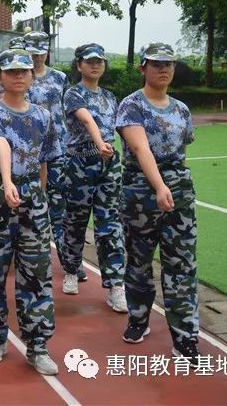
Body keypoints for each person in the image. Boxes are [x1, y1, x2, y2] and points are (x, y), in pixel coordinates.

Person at [0, 49, 60, 376]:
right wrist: (8, 183)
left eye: (24, 70)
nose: (19, 76)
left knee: (36, 271)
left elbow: (44, 161)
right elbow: (1, 144)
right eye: (11, 72)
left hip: (33, 199)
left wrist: (40, 196)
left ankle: (38, 344)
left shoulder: (43, 116)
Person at [116, 43, 201, 363]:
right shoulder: (131, 106)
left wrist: (171, 186)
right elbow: (141, 149)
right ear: (142, 68)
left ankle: (185, 336)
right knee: (138, 262)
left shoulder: (180, 109)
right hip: (141, 192)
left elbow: (182, 150)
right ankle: (138, 318)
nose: (163, 70)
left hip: (179, 192)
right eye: (156, 64)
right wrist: (159, 185)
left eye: (169, 65)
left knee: (182, 265)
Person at [61, 44, 128, 311]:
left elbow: (120, 128)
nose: (95, 65)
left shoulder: (110, 97)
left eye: (99, 61)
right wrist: (99, 143)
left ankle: (115, 285)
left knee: (109, 223)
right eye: (89, 61)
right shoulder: (73, 94)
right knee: (76, 219)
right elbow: (87, 121)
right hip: (79, 162)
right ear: (79, 65)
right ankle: (70, 269)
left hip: (108, 165)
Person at [23, 31, 78, 280]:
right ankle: (32, 257)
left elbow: (68, 112)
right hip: (28, 152)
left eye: (41, 50)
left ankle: (69, 265)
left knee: (59, 207)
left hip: (58, 150)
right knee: (30, 205)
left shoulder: (60, 78)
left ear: (47, 50)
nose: (36, 55)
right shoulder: (19, 77)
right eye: (32, 51)